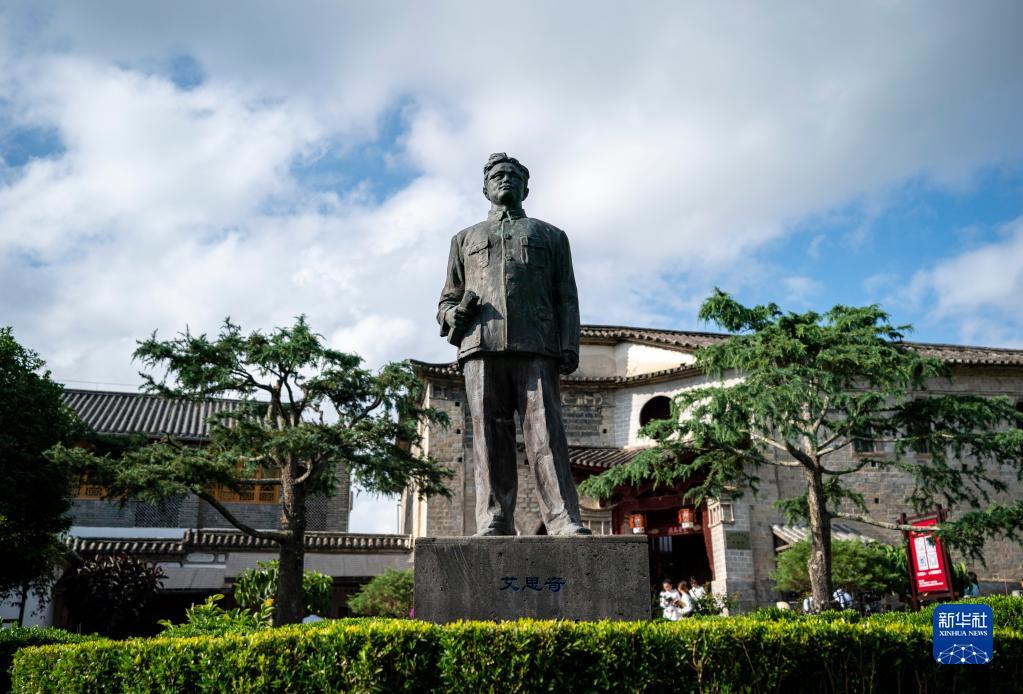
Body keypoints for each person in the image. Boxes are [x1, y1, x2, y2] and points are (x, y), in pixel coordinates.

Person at [437, 153, 588, 536]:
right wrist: (452, 315)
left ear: (526, 187)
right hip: (481, 346)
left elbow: (566, 296)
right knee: (488, 438)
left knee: (546, 434)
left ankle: (562, 518)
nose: (504, 180)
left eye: (512, 175)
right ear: (485, 188)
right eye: (497, 175)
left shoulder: (550, 236)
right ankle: (495, 519)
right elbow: (447, 299)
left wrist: (569, 344)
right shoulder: (464, 239)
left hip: (537, 344)